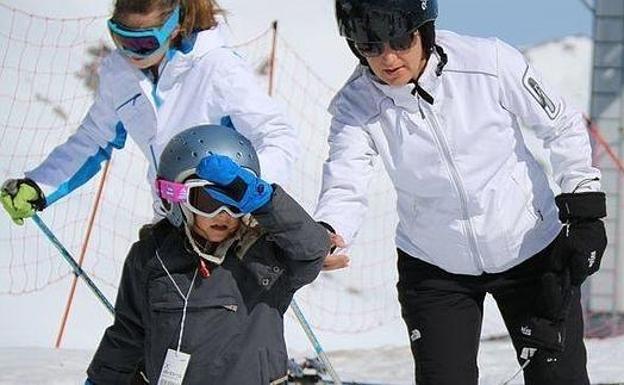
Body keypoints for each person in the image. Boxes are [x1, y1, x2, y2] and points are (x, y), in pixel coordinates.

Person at [315, 1, 608, 384]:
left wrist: (584, 207)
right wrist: (327, 231)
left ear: (425, 30)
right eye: (370, 46)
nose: (387, 58)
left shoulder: (489, 62)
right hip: (435, 266)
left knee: (559, 378)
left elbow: (561, 125)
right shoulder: (355, 105)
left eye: (400, 40)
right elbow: (345, 178)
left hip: (530, 251)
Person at [0, 0, 298, 225]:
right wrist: (40, 185)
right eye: (120, 37)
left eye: (143, 43)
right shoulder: (120, 72)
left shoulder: (216, 68)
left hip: (225, 219)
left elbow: (278, 135)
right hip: (170, 221)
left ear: (175, 28)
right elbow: (94, 139)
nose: (130, 51)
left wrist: (249, 186)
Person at [85, 124, 329, 385]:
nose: (222, 215)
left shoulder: (266, 255)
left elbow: (312, 250)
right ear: (178, 197)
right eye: (209, 202)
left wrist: (265, 200)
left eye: (234, 202)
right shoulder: (151, 255)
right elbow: (128, 333)